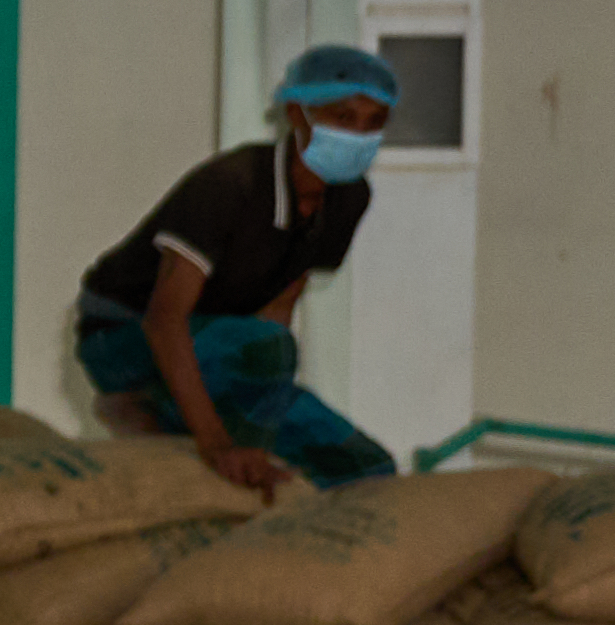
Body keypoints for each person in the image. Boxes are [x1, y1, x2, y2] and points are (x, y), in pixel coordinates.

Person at [75, 45, 401, 490]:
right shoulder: (231, 185)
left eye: (375, 122)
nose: (360, 133)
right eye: (343, 119)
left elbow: (282, 296)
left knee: (367, 469)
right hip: (125, 335)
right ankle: (136, 403)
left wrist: (262, 403)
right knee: (267, 352)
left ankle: (166, 413)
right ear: (297, 113)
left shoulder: (349, 197)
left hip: (223, 343)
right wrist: (218, 444)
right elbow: (164, 319)